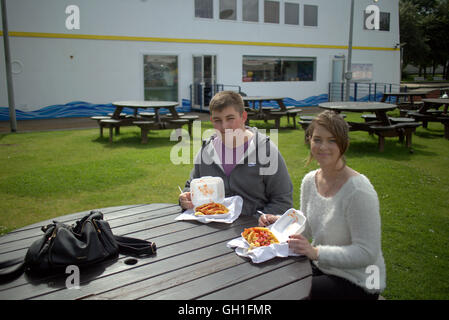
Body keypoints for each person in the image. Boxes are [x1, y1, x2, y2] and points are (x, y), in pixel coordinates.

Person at [259, 110, 386, 300]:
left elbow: (367, 252)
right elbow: (307, 225)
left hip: (359, 280)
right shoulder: (310, 180)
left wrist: (315, 252)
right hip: (321, 266)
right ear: (309, 140)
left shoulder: (359, 191)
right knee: (272, 278)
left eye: (332, 140)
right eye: (317, 139)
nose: (323, 146)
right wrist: (278, 222)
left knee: (287, 293)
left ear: (344, 144)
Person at [179, 91, 293, 216]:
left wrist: (257, 223)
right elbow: (191, 186)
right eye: (217, 120)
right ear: (211, 120)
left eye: (230, 118)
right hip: (211, 229)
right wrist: (185, 198)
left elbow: (283, 202)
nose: (224, 126)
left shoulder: (266, 150)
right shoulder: (206, 151)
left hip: (253, 231)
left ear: (243, 117)